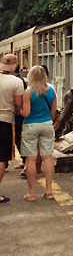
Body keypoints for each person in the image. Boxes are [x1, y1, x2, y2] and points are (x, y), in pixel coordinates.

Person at [20, 65, 58, 201]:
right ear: (44, 76)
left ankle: (31, 193)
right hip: (47, 124)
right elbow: (53, 112)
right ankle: (49, 191)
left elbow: (27, 113)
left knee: (31, 159)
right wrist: (49, 120)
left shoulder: (28, 92)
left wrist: (19, 110)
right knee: (47, 157)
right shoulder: (51, 91)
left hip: (31, 125)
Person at [0, 54, 24, 203]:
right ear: (15, 66)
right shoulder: (17, 82)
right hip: (6, 122)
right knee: (2, 159)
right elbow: (18, 105)